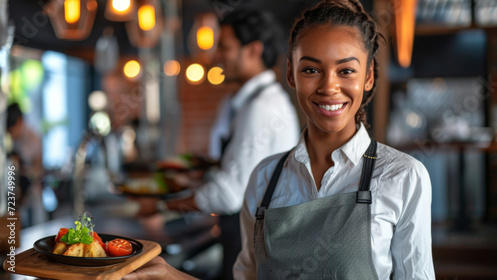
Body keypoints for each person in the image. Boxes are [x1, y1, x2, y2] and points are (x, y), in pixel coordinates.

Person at [125, 0, 435, 279]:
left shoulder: (403, 176)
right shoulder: (263, 178)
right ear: (291, 73)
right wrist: (171, 276)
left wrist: (167, 206)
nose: (329, 86)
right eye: (311, 69)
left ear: (368, 77)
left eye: (346, 71)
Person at [135, 8, 300, 280]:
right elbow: (234, 173)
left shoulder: (261, 108)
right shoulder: (251, 102)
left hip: (255, 244)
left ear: (253, 50)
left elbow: (228, 194)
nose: (216, 56)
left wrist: (163, 206)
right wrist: (195, 177)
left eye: (224, 47)